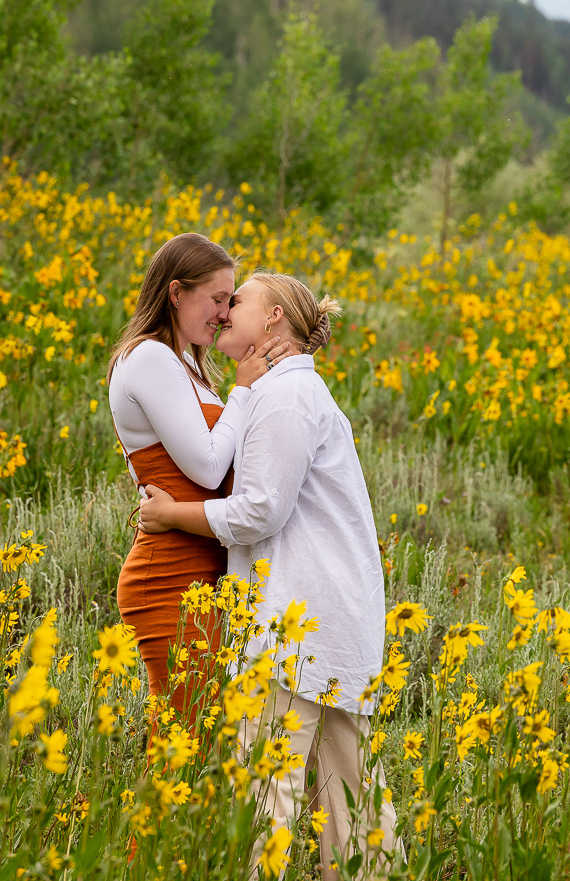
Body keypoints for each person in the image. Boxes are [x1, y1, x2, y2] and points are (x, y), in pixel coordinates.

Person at [139, 270, 397, 878]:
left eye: (239, 300)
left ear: (275, 316)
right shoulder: (292, 393)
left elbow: (259, 510)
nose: (225, 310)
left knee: (265, 803)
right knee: (353, 806)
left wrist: (171, 514)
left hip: (293, 627)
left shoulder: (287, 397)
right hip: (328, 622)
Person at [108, 233, 290, 709]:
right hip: (170, 572)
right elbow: (209, 469)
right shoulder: (149, 357)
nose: (224, 313)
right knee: (179, 742)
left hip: (203, 571)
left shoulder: (186, 362)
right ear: (175, 293)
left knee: (195, 745)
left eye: (229, 301)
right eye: (214, 299)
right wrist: (244, 389)